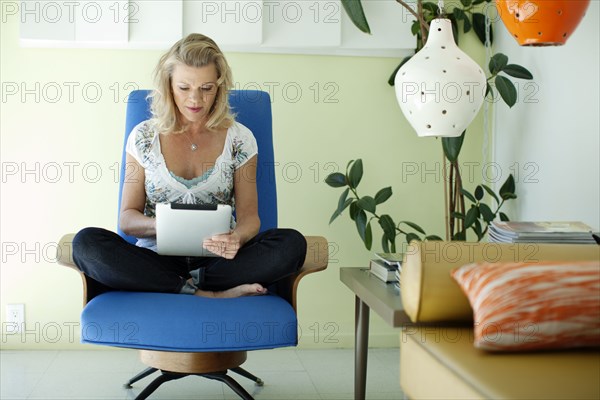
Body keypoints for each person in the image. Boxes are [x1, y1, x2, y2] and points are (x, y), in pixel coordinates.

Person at [72, 33, 307, 298]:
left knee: (292, 244)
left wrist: (236, 238)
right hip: (155, 257)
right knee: (86, 243)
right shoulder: (143, 136)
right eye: (184, 88)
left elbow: (250, 218)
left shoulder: (240, 138)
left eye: (206, 88)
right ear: (169, 85)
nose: (195, 100)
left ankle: (185, 283)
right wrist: (162, 226)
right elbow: (127, 218)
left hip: (217, 262)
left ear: (219, 86)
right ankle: (205, 292)